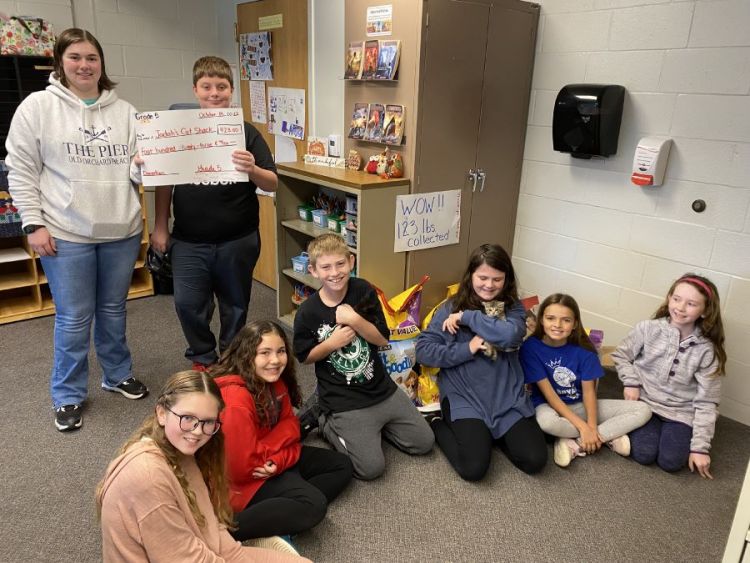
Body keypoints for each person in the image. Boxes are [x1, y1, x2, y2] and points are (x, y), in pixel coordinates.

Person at [5, 28, 148, 432]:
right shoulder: (37, 107)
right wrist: (33, 223)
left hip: (120, 228)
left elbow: (137, 173)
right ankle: (67, 394)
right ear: (60, 62)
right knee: (73, 318)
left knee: (113, 310)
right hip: (66, 232)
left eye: (92, 58)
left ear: (102, 64)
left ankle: (117, 374)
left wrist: (142, 162)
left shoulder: (126, 113)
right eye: (75, 58)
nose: (84, 65)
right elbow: (21, 169)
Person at [149, 55, 278, 371]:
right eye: (206, 86)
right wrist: (160, 226)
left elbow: (273, 182)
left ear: (231, 90)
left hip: (238, 238)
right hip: (189, 240)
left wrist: (252, 169)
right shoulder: (178, 131)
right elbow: (165, 181)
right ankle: (203, 356)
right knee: (188, 304)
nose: (214, 93)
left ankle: (231, 359)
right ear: (195, 90)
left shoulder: (246, 132)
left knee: (235, 305)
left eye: (221, 86)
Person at [96, 370, 308, 561]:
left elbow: (211, 527)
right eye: (188, 418)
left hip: (199, 548)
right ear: (161, 413)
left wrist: (239, 555)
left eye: (208, 422)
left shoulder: (182, 452)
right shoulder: (148, 477)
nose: (197, 431)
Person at [293, 233, 434, 480]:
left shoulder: (363, 289)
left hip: (381, 388)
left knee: (424, 443)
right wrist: (331, 343)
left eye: (340, 264)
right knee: (370, 469)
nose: (335, 272)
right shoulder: (307, 312)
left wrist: (355, 320)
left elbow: (381, 339)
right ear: (314, 271)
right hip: (343, 399)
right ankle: (324, 419)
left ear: (351, 261)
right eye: (325, 267)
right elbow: (304, 357)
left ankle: (376, 428)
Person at [415, 243, 547, 481]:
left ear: (506, 280)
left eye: (497, 279)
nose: (489, 285)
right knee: (473, 469)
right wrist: (468, 348)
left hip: (506, 397)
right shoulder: (450, 307)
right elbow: (424, 351)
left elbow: (509, 335)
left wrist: (468, 317)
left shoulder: (513, 308)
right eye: (483, 277)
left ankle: (492, 434)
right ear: (471, 276)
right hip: (464, 396)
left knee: (535, 460)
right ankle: (435, 421)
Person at [211, 320, 353, 540]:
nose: (275, 360)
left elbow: (292, 426)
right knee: (314, 505)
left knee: (341, 465)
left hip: (269, 463)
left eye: (280, 351)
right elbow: (241, 470)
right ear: (246, 355)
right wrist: (281, 453)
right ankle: (227, 533)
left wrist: (279, 462)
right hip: (244, 483)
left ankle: (280, 512)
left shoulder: (274, 381)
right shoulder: (235, 401)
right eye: (264, 353)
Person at [611, 274, 726, 479]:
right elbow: (621, 355)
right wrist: (631, 382)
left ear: (705, 311)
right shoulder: (648, 328)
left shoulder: (706, 350)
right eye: (676, 299)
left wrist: (700, 448)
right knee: (644, 454)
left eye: (691, 304)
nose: (680, 308)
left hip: (681, 413)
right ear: (669, 298)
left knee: (671, 462)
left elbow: (707, 401)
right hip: (644, 405)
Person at [520, 293, 651, 468]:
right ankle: (608, 436)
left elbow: (589, 392)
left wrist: (590, 427)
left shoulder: (585, 350)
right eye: (551, 318)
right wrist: (583, 426)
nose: (557, 325)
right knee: (547, 423)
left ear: (574, 324)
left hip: (580, 404)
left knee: (643, 410)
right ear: (542, 320)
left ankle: (576, 441)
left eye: (566, 320)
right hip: (548, 405)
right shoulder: (531, 347)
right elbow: (550, 396)